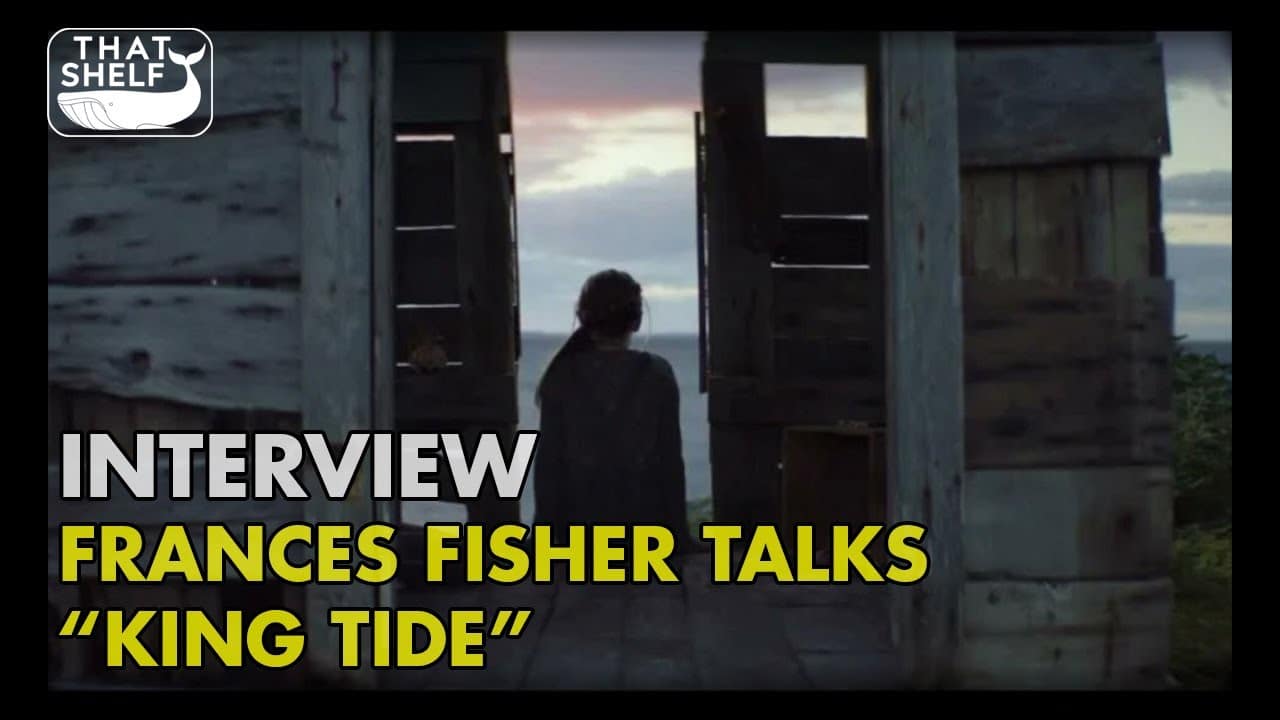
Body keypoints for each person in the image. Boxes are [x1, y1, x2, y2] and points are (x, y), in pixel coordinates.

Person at [533, 269, 693, 552]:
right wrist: (680, 536)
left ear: (582, 316)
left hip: (579, 539)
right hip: (647, 538)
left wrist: (541, 540)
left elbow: (549, 467)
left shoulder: (560, 375)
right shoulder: (658, 373)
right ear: (637, 320)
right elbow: (670, 463)